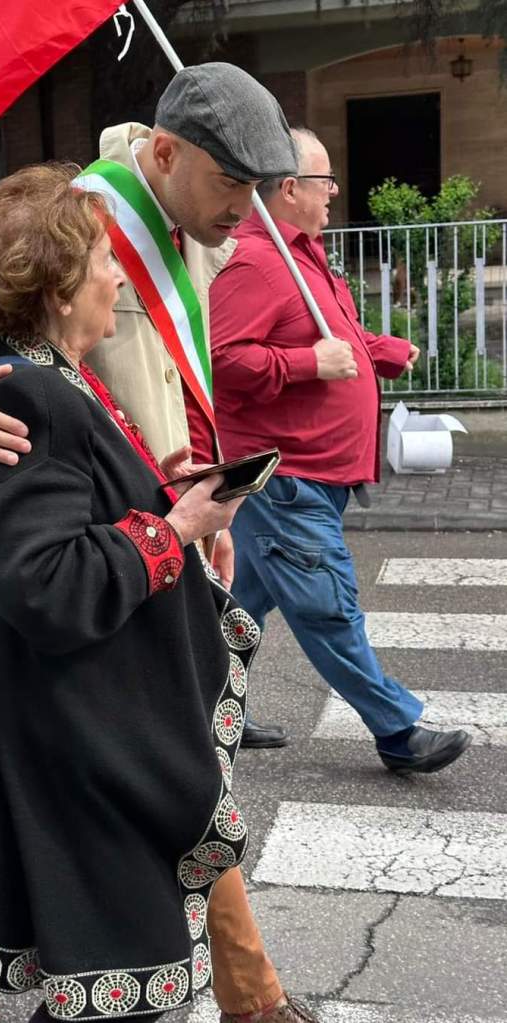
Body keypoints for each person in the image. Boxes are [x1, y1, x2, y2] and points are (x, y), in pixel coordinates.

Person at [0, 66, 315, 1023]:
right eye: (231, 184)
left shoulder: (173, 243)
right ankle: (255, 1000)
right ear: (166, 154)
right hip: (92, 690)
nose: (244, 210)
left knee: (133, 910)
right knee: (134, 910)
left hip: (122, 637)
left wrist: (172, 498)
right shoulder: (66, 259)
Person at [207, 127, 472, 775]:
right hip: (285, 478)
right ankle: (396, 730)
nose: (332, 192)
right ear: (287, 188)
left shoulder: (302, 256)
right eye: (323, 180)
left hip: (308, 477)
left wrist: (380, 352)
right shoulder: (258, 262)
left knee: (238, 609)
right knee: (328, 606)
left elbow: (331, 336)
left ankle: (204, 715)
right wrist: (308, 365)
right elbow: (221, 359)